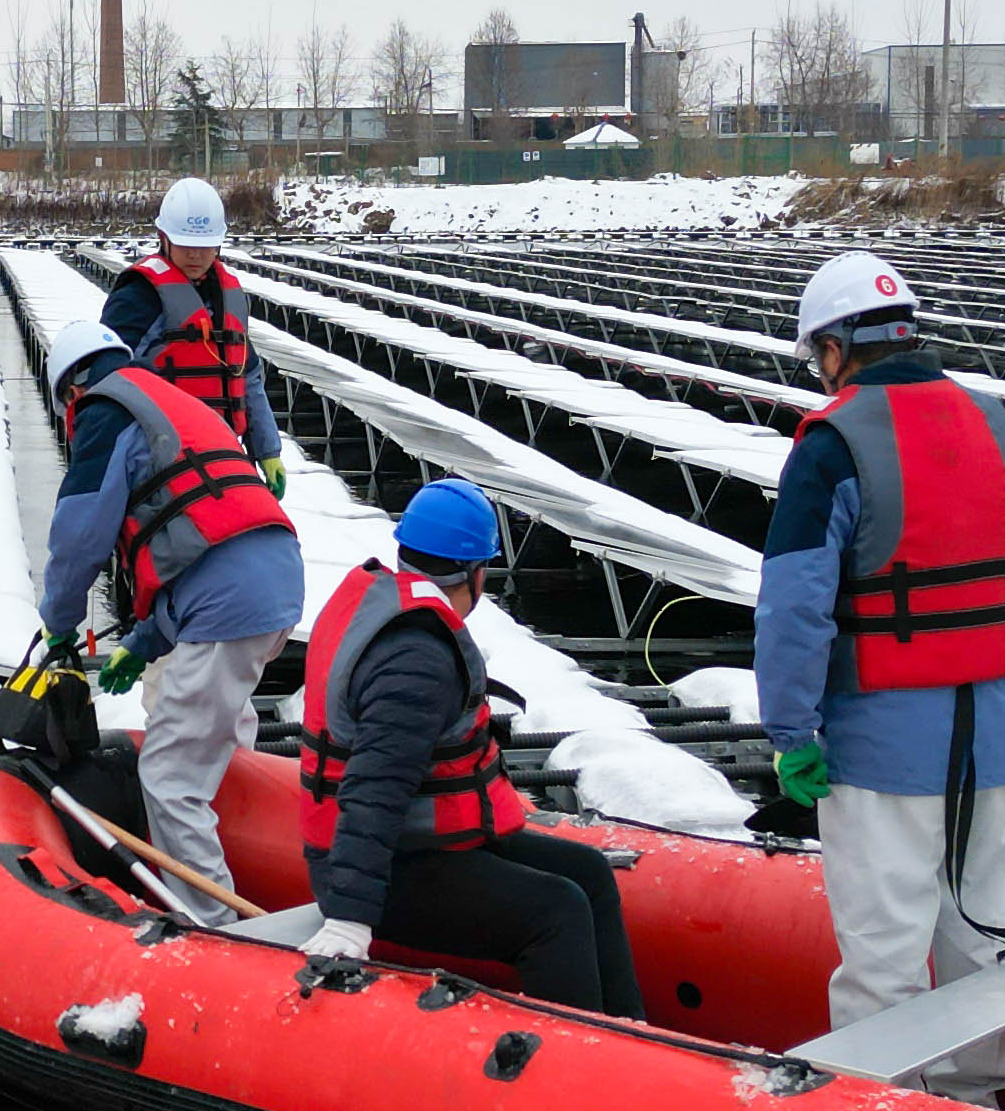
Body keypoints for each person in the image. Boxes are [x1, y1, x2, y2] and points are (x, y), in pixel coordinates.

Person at [753, 250, 1005, 1100]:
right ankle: (976, 1105)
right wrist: (1003, 660)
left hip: (879, 749)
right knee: (985, 936)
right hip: (995, 742)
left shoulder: (832, 445)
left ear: (835, 349)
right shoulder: (997, 425)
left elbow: (794, 605)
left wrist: (792, 732)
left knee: (884, 955)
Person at [295, 479, 643, 1016]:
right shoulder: (416, 657)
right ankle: (582, 1054)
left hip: (426, 845)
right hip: (388, 869)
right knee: (557, 911)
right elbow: (375, 786)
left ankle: (631, 1035)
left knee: (588, 874)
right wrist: (350, 917)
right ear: (475, 572)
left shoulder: (386, 605)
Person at [38, 311, 303, 923]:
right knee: (224, 738)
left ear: (72, 390)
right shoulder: (168, 399)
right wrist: (145, 640)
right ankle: (247, 861)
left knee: (168, 776)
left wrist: (60, 620)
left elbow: (79, 537)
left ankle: (215, 926)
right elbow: (197, 535)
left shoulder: (104, 412)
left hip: (226, 606)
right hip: (275, 582)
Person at [101, 174, 286, 493]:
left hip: (223, 452)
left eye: (204, 246)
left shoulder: (228, 296)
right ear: (164, 238)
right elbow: (106, 378)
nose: (196, 255)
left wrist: (268, 452)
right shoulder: (137, 297)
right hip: (160, 459)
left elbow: (248, 376)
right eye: (186, 245)